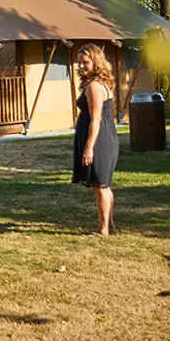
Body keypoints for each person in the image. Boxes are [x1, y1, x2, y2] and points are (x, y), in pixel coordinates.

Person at [72, 44, 119, 236]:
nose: (81, 66)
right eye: (79, 62)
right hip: (105, 135)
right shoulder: (100, 83)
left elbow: (96, 118)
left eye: (85, 62)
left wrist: (89, 147)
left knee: (100, 185)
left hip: (99, 138)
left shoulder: (94, 87)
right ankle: (109, 224)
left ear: (96, 62)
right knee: (102, 184)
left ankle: (103, 229)